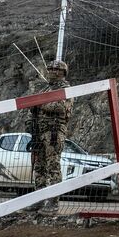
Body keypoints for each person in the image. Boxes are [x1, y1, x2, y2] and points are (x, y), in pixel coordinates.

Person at [26, 60, 73, 216]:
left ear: (63, 73)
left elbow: (61, 107)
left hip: (53, 132)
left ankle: (53, 202)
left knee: (53, 167)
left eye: (56, 69)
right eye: (50, 69)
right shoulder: (45, 89)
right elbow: (32, 108)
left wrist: (40, 102)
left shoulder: (66, 89)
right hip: (39, 132)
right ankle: (39, 199)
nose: (52, 71)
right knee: (39, 167)